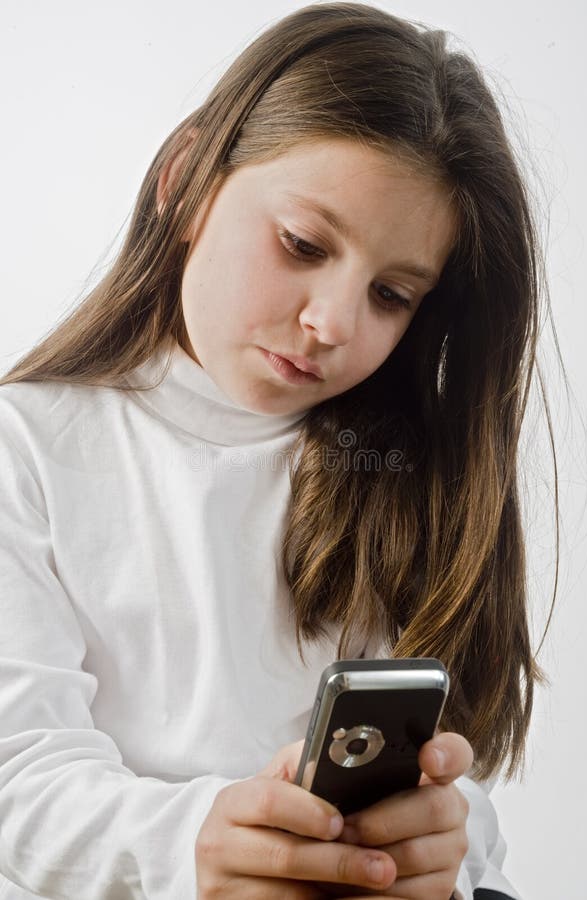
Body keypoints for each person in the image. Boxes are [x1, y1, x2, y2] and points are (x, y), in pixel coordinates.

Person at [0, 2, 556, 898]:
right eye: (302, 244)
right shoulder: (23, 447)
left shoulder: (395, 473)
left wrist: (443, 846)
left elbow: (457, 788)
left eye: (390, 294)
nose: (331, 323)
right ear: (184, 181)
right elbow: (18, 781)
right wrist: (200, 846)